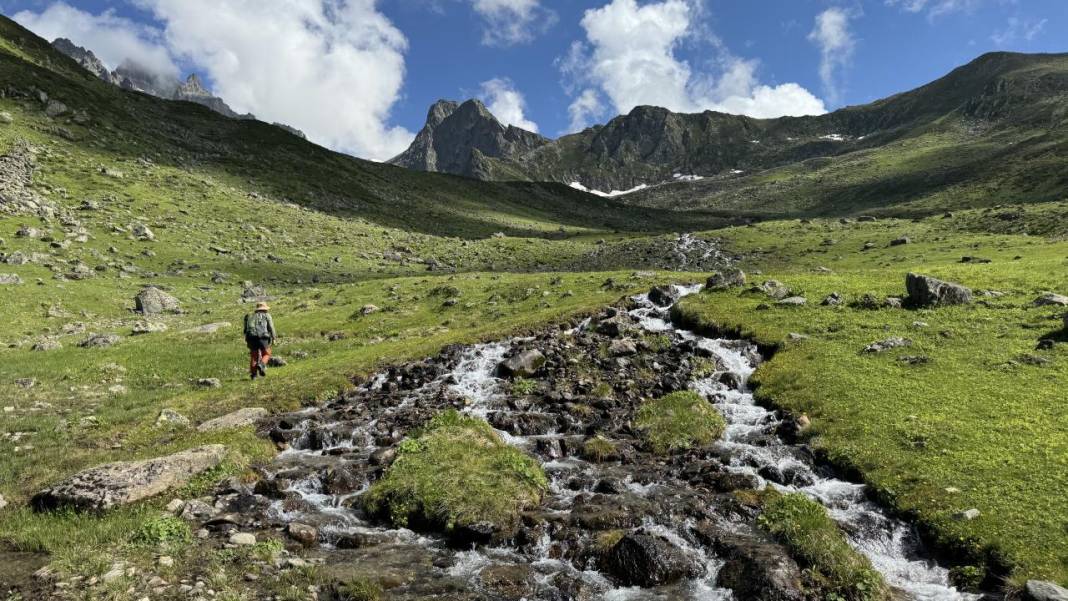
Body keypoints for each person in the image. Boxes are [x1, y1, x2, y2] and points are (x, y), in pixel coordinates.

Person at [244, 302, 277, 380]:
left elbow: (245, 330)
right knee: (267, 353)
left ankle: (254, 375)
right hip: (263, 337)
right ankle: (261, 365)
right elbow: (271, 327)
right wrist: (274, 338)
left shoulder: (250, 316)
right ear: (264, 309)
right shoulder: (267, 315)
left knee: (254, 356)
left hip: (251, 338)